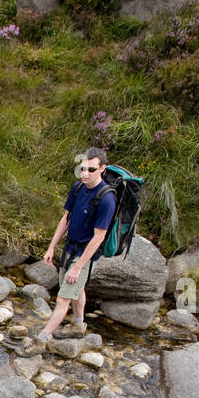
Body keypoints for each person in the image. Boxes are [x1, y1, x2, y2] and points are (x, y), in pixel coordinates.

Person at [35, 147, 116, 345]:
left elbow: (98, 237)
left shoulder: (106, 199)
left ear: (102, 169)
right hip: (69, 248)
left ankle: (41, 339)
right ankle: (79, 325)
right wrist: (52, 247)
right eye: (83, 169)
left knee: (63, 299)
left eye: (91, 169)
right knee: (76, 290)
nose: (85, 174)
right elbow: (66, 219)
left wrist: (78, 267)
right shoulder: (78, 187)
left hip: (84, 254)